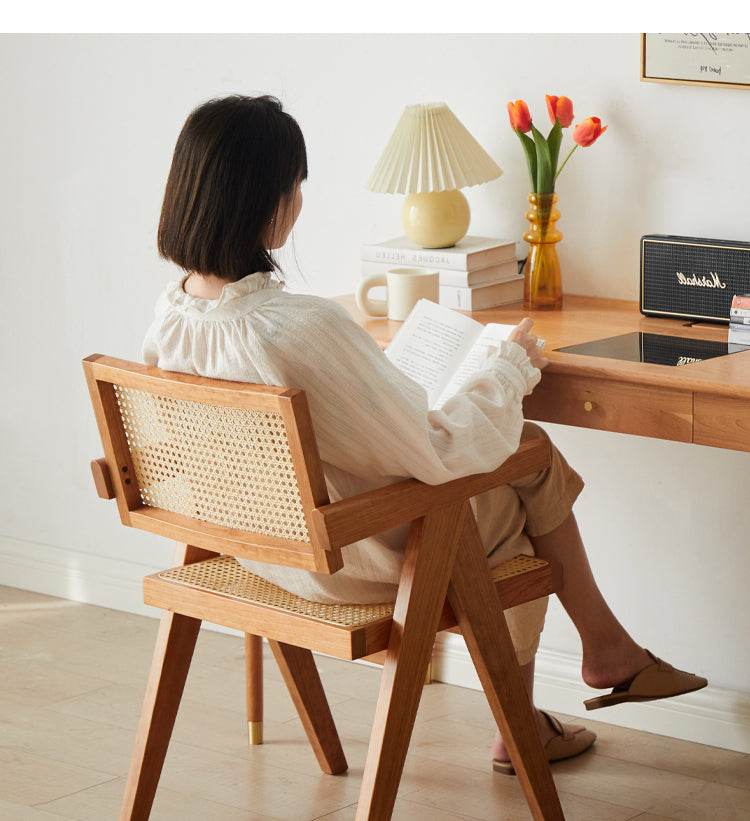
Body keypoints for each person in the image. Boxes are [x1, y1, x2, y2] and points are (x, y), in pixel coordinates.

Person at [142, 94, 707, 774]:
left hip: (264, 549)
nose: (298, 199)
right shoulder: (297, 326)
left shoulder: (172, 319)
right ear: (268, 200)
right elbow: (436, 451)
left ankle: (594, 659)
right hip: (351, 563)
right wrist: (504, 367)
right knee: (523, 470)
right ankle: (548, 701)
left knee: (524, 459)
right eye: (295, 184)